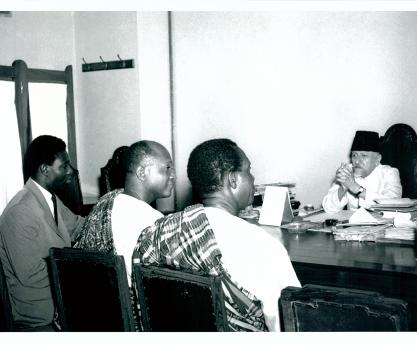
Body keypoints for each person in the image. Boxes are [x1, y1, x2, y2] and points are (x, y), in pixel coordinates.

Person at [133, 138, 300, 332]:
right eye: (248, 170)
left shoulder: (154, 233)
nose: (253, 178)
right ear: (233, 179)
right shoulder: (263, 247)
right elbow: (289, 325)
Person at [0, 135, 84, 331]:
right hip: (40, 317)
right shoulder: (19, 211)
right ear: (45, 169)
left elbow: (79, 226)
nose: (71, 171)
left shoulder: (49, 199)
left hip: (61, 303)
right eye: (64, 166)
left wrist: (107, 215)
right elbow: (31, 275)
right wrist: (81, 271)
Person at [74, 140, 175, 281]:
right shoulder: (153, 221)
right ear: (142, 172)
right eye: (168, 167)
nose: (173, 175)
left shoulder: (106, 202)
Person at [322, 130, 402, 213]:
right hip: (352, 224)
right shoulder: (348, 171)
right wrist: (343, 188)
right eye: (354, 155)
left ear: (378, 159)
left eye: (363, 156)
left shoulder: (390, 173)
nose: (357, 161)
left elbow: (394, 205)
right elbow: (329, 208)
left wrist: (357, 189)